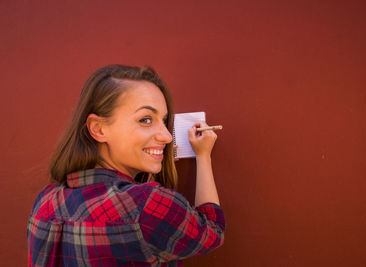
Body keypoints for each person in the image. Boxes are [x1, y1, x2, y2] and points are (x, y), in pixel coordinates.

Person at [27, 65, 225, 266]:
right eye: (146, 119)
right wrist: (203, 157)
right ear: (98, 128)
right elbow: (212, 231)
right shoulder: (148, 205)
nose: (166, 136)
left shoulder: (45, 202)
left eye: (164, 121)